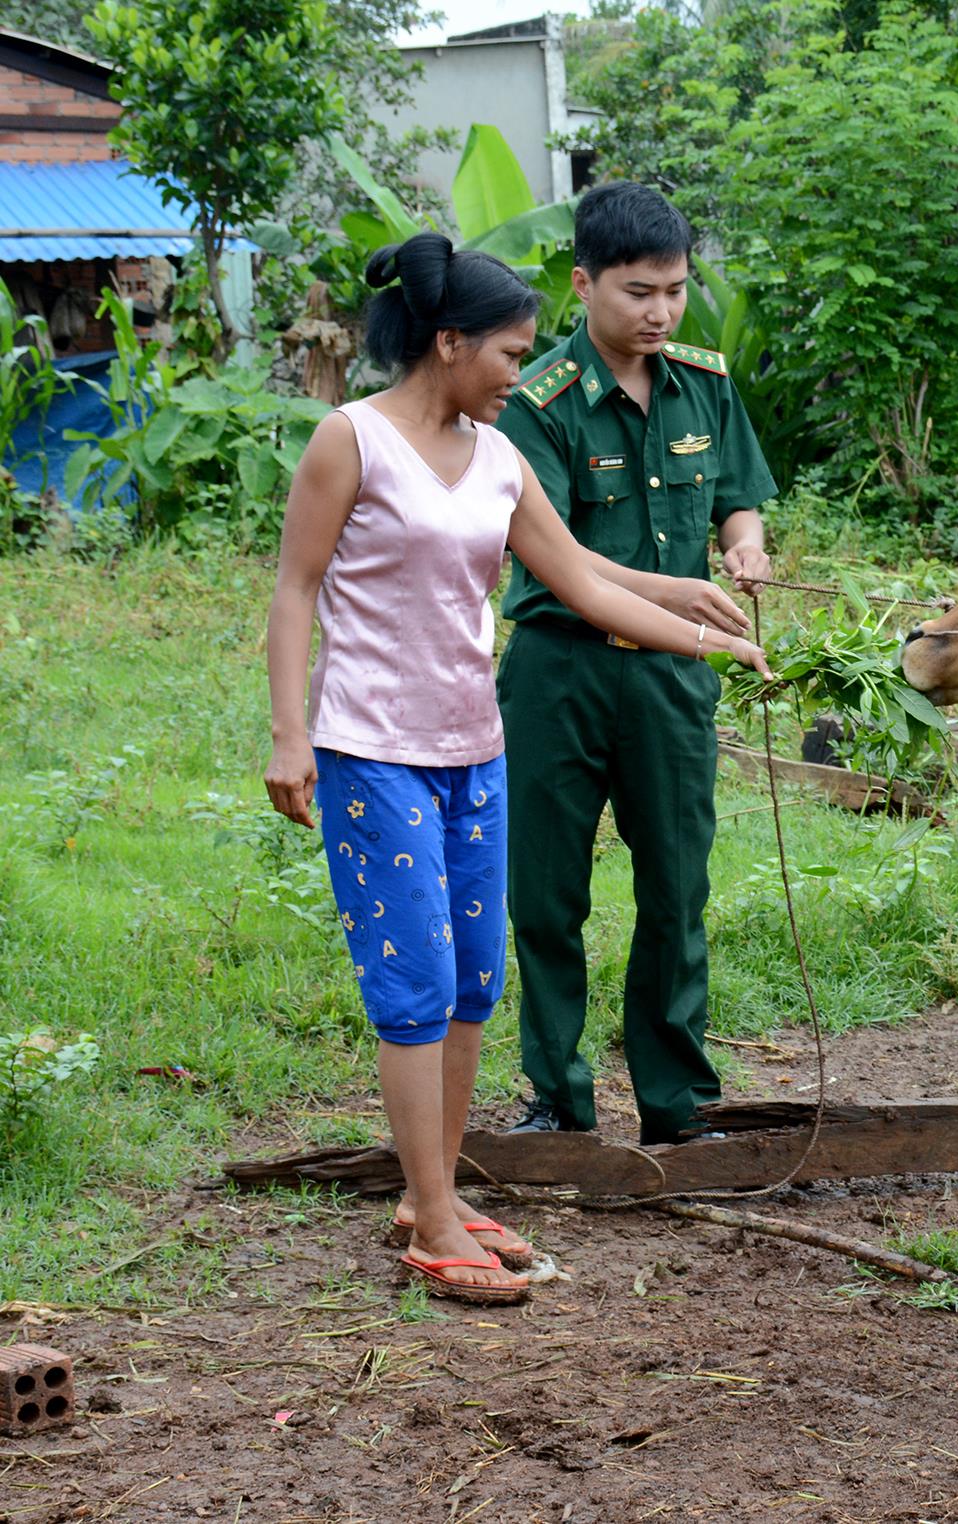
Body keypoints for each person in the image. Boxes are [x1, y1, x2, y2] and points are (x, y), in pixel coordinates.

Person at [263, 233, 769, 1303]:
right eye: (507, 353)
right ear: (448, 344)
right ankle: (434, 1219)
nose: (518, 372)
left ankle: (429, 1190)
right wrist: (289, 734)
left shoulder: (498, 457)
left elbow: (581, 577)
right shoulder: (348, 441)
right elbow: (295, 589)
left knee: (474, 984)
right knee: (416, 984)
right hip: (372, 749)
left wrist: (701, 629)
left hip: (472, 751)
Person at [492, 182, 779, 1146]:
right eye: (638, 292)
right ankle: (557, 1099)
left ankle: (675, 1101)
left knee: (675, 886)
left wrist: (746, 545)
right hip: (559, 672)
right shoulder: (538, 403)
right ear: (582, 286)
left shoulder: (706, 381)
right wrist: (676, 594)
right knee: (546, 892)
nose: (661, 313)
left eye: (676, 290)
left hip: (670, 679)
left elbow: (738, 494)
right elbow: (557, 559)